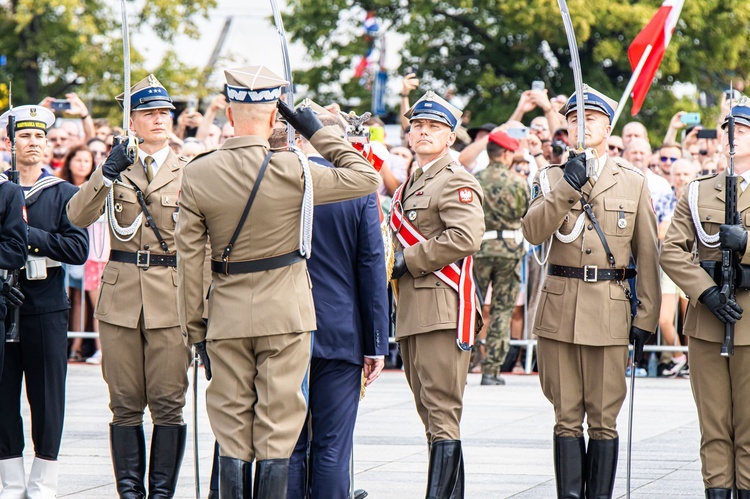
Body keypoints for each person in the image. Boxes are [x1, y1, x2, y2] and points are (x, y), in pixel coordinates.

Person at [175, 65, 380, 497]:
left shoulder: (198, 173)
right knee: (278, 430)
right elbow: (367, 178)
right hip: (286, 315)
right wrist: (320, 132)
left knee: (231, 430)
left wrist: (196, 330)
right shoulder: (296, 171)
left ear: (229, 115)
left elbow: (190, 264)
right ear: (275, 118)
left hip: (227, 317)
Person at [521, 85, 660, 498]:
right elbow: (532, 231)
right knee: (566, 417)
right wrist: (567, 186)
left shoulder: (632, 182)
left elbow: (647, 253)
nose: (583, 124)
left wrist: (646, 316)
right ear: (565, 126)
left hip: (610, 309)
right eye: (575, 118)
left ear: (608, 126)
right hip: (560, 308)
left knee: (603, 419)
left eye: (592, 118)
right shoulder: (548, 177)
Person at [67, 74, 192, 498]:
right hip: (121, 295)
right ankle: (130, 493)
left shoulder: (188, 169)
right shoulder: (116, 168)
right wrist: (105, 173)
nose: (159, 119)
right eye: (148, 113)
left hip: (171, 295)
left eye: (164, 113)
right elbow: (76, 217)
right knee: (124, 403)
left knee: (169, 403)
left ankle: (160, 494)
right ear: (132, 122)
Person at [286, 107, 389, 499]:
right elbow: (371, 268)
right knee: (332, 445)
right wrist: (375, 342)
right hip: (342, 332)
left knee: (291, 445)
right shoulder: (358, 190)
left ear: (299, 138)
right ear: (340, 144)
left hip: (287, 326)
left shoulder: (280, 181)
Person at [389, 90, 485, 497]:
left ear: (451, 137)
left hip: (442, 308)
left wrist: (406, 260)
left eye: (434, 127)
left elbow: (466, 236)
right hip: (414, 310)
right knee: (430, 414)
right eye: (418, 126)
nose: (424, 132)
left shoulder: (456, 179)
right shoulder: (413, 182)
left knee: (442, 413)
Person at [660, 97, 750, 498]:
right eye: (729, 129)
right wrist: (705, 291)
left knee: (748, 427)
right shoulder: (698, 192)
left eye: (743, 131)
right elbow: (672, 250)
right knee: (713, 425)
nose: (733, 137)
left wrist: (746, 243)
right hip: (709, 321)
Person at [0, 105, 88, 498]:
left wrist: (27, 233)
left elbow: (77, 247)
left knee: (47, 397)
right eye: (25, 136)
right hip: (5, 306)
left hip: (45, 304)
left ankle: (43, 484)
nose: (33, 143)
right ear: (9, 142)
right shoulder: (3, 190)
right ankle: (10, 481)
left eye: (40, 137)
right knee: (3, 400)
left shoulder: (63, 193)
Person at [473, 130, 529, 386]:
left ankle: (466, 361)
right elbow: (526, 213)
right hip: (508, 251)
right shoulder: (518, 181)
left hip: (479, 249)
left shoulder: (475, 179)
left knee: (471, 309)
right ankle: (491, 370)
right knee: (502, 310)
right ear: (506, 154)